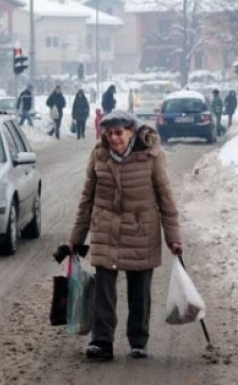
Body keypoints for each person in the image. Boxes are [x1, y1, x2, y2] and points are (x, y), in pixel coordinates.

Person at [68, 110, 183, 361]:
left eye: (119, 132)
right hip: (106, 229)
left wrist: (173, 237)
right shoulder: (99, 155)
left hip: (141, 229)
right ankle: (102, 342)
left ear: (131, 130)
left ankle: (138, 341)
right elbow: (87, 199)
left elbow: (166, 199)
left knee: (140, 289)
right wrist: (76, 237)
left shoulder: (150, 156)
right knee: (104, 289)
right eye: (109, 134)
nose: (114, 138)